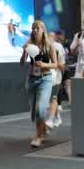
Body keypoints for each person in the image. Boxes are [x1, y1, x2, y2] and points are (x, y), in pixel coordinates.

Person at [19, 20, 59, 148]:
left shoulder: (49, 46)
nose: (35, 30)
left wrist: (44, 64)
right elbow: (21, 63)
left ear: (43, 30)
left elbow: (55, 64)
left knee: (40, 109)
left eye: (37, 28)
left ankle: (38, 136)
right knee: (34, 111)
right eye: (33, 28)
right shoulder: (29, 44)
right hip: (31, 79)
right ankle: (43, 130)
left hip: (45, 79)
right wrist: (25, 51)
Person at [47, 31, 67, 129]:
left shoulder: (58, 46)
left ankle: (51, 119)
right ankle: (57, 117)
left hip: (55, 77)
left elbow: (62, 64)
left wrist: (55, 64)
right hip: (46, 77)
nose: (49, 39)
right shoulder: (43, 47)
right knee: (51, 99)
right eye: (48, 36)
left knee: (53, 98)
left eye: (51, 37)